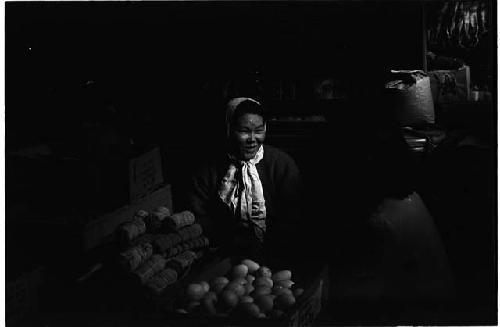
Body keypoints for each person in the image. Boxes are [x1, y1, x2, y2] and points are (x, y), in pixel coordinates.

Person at [185, 97, 302, 261]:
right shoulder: (208, 170)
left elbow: (293, 217)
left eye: (259, 130)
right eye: (244, 131)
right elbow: (196, 217)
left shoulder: (282, 164)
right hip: (221, 256)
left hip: (276, 256)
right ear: (229, 129)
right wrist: (229, 236)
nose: (252, 139)